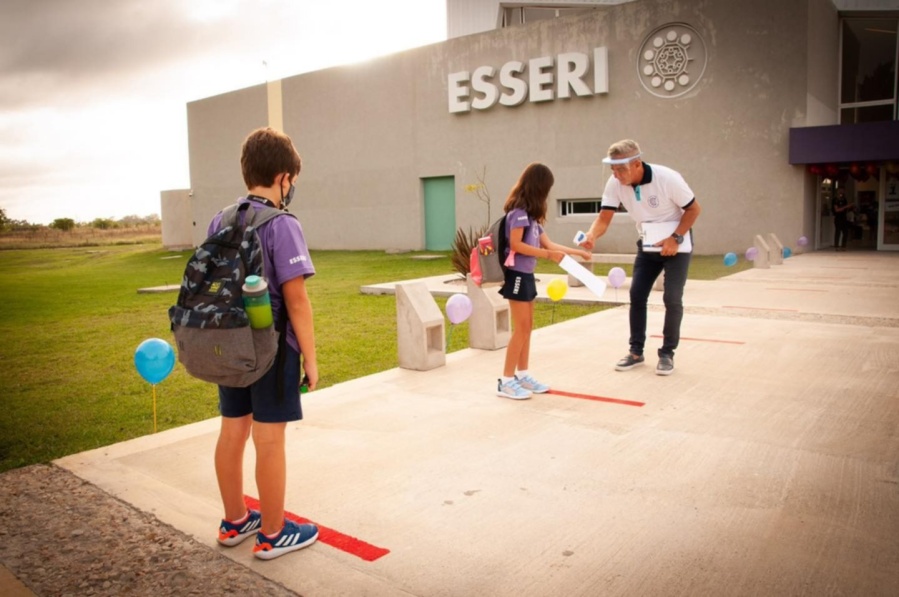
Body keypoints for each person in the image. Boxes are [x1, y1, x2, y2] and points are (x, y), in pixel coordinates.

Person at [210, 127, 319, 560]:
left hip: (229, 341)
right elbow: (297, 300)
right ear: (283, 178)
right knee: (269, 438)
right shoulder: (282, 224)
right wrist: (310, 359)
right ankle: (273, 532)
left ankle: (235, 519)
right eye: (292, 179)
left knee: (232, 429)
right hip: (271, 347)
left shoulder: (221, 219)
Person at [580, 139, 701, 376]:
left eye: (621, 169)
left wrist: (675, 238)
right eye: (612, 169)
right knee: (636, 295)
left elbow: (694, 209)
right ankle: (636, 352)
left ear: (637, 164)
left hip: (676, 245)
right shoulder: (615, 183)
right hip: (647, 245)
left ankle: (667, 353)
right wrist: (592, 235)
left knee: (672, 298)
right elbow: (604, 217)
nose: (616, 175)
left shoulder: (667, 178)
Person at [496, 163, 591, 399]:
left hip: (527, 275)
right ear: (539, 187)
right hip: (516, 275)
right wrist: (548, 255)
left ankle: (523, 375)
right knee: (521, 328)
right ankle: (506, 381)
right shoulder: (518, 213)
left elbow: (549, 244)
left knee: (527, 327)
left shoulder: (532, 218)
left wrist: (578, 253)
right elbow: (516, 245)